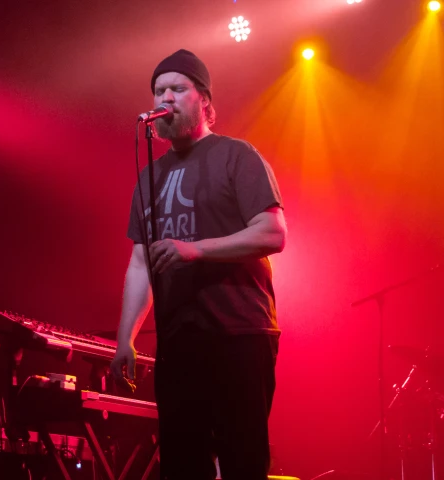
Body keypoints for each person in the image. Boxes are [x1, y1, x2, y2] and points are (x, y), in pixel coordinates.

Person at [110, 49, 288, 480]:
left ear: (204, 100)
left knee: (242, 461)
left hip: (239, 332)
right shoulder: (148, 176)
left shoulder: (236, 155)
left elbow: (273, 233)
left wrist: (197, 249)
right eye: (158, 91)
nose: (165, 98)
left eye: (177, 88)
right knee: (183, 465)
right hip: (178, 343)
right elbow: (140, 264)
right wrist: (124, 341)